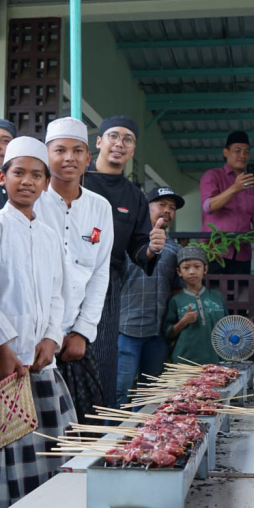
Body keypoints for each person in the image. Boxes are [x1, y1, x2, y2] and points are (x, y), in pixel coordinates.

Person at [0, 136, 75, 508]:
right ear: (2, 177)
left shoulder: (50, 236)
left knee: (54, 444)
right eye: (18, 173)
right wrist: (2, 350)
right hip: (1, 365)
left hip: (42, 363)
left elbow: (58, 295)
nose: (27, 181)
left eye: (36, 175)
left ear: (46, 184)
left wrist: (52, 338)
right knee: (5, 448)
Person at [83, 115, 165, 407]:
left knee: (103, 357)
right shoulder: (77, 181)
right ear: (99, 141)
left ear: (133, 150)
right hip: (68, 278)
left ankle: (98, 423)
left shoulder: (134, 196)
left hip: (108, 282)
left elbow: (138, 250)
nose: (120, 143)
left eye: (128, 139)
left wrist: (152, 248)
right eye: (114, 136)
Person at [36, 117, 113, 422]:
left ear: (88, 158)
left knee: (84, 425)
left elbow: (100, 273)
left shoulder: (100, 207)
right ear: (46, 155)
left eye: (77, 151)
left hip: (75, 338)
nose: (69, 157)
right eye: (60, 150)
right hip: (35, 337)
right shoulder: (33, 202)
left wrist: (82, 331)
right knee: (33, 428)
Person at [116, 186, 184, 408]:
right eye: (161, 205)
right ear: (146, 208)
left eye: (172, 208)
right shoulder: (128, 243)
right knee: (119, 390)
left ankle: (142, 432)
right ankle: (113, 431)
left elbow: (176, 290)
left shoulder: (174, 250)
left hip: (157, 335)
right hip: (126, 330)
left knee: (150, 395)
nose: (167, 211)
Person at [200, 131, 254, 274]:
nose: (242, 155)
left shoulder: (252, 182)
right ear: (225, 152)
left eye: (246, 151)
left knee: (242, 288)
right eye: (237, 150)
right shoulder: (213, 175)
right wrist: (235, 188)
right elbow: (209, 206)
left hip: (242, 252)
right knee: (213, 288)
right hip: (214, 250)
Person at [165, 245, 227, 366]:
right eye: (186, 267)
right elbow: (169, 333)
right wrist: (183, 322)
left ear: (205, 269)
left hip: (216, 361)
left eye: (197, 266)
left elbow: (227, 327)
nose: (192, 271)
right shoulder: (176, 300)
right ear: (179, 272)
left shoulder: (217, 297)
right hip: (185, 362)